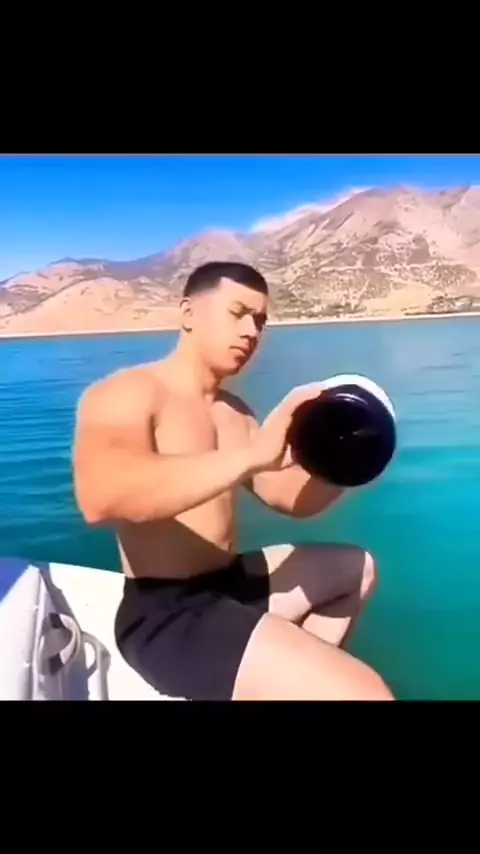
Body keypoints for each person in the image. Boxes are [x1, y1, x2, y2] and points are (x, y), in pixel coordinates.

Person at [73, 261, 394, 701]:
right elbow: (102, 498)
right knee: (367, 694)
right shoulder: (127, 393)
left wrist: (346, 460)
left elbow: (287, 498)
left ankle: (290, 680)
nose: (251, 332)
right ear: (188, 313)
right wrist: (252, 456)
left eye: (260, 321)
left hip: (229, 583)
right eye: (238, 313)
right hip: (168, 614)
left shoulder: (235, 413)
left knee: (356, 569)